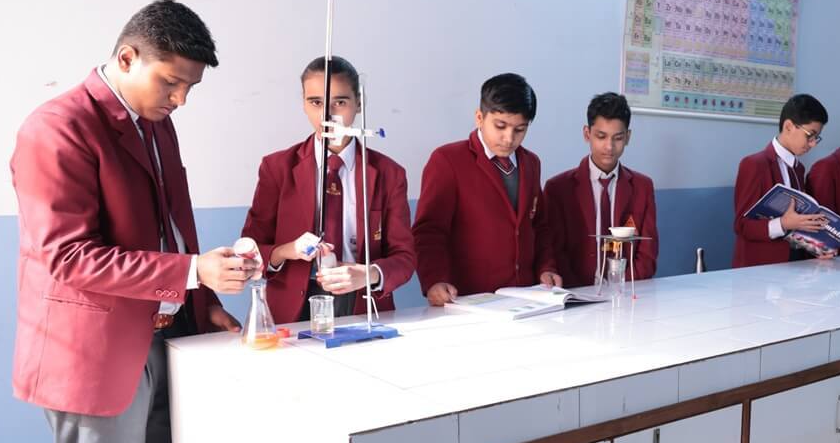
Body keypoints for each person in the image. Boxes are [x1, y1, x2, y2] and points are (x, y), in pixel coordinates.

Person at [10, 0, 257, 443]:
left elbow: (172, 226)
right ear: (127, 58)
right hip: (90, 351)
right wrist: (190, 272)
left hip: (163, 336)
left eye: (189, 88)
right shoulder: (56, 128)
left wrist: (205, 297)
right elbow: (68, 257)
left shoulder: (155, 125)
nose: (179, 100)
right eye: (170, 82)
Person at [240, 56, 416, 324]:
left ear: (359, 103)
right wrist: (287, 250)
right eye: (316, 102)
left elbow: (405, 258)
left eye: (340, 102)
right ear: (303, 104)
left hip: (362, 301)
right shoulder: (277, 168)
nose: (327, 115)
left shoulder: (389, 174)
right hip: (292, 307)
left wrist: (369, 274)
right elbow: (252, 249)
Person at [413, 73, 560, 305]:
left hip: (525, 298)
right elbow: (429, 231)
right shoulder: (448, 160)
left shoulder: (531, 163)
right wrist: (435, 280)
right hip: (468, 300)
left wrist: (546, 267)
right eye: (500, 126)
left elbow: (539, 226)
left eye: (520, 129)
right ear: (480, 118)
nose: (509, 138)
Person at [544, 92, 658, 289]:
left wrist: (621, 288)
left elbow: (647, 254)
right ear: (587, 134)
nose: (609, 147)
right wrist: (582, 293)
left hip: (627, 293)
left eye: (618, 138)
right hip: (577, 293)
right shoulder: (558, 188)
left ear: (628, 137)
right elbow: (555, 251)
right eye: (601, 136)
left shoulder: (643, 187)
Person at [732, 94, 835, 267]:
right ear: (788, 126)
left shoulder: (798, 168)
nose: (812, 144)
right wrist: (783, 223)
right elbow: (742, 226)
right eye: (810, 135)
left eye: (816, 138)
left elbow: (796, 226)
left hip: (793, 265)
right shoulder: (754, 164)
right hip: (760, 268)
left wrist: (816, 247)